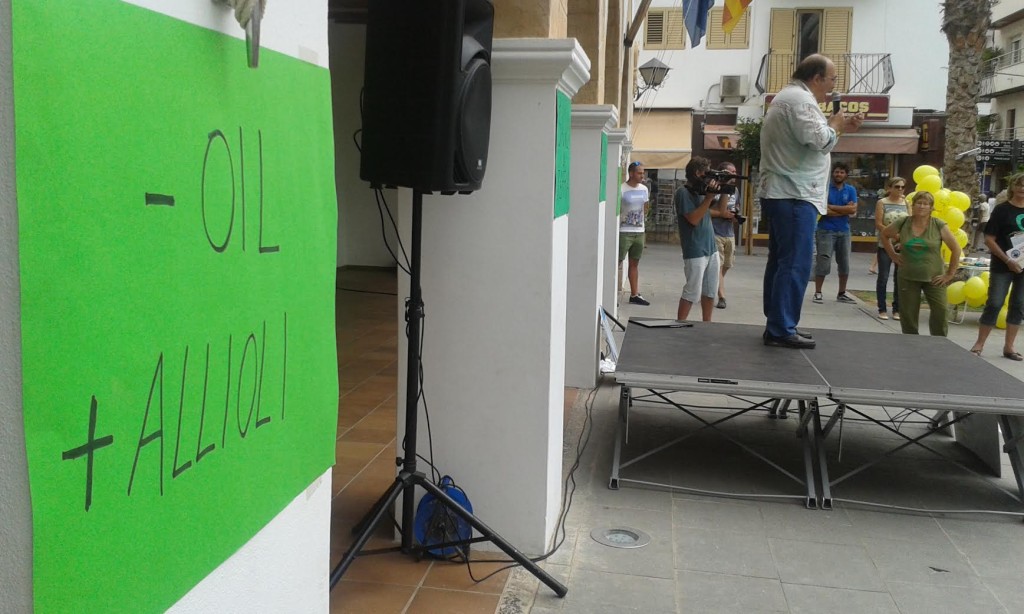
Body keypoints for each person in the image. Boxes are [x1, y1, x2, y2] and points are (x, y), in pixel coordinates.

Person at [758, 54, 864, 349]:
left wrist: (840, 127)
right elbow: (820, 141)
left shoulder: (788, 98)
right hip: (795, 194)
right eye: (831, 80)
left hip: (786, 192)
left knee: (782, 261)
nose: (832, 87)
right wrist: (835, 124)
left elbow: (814, 143)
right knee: (795, 263)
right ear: (817, 78)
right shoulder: (801, 102)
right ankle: (781, 327)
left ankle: (778, 323)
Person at [880, 191, 959, 336]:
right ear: (913, 205)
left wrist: (949, 274)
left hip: (934, 277)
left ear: (931, 207)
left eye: (926, 204)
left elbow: (956, 249)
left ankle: (939, 342)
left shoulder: (938, 225)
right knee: (908, 314)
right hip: (908, 276)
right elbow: (885, 235)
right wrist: (893, 255)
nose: (922, 206)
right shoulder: (903, 222)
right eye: (919, 203)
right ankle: (911, 343)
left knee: (940, 311)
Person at [970, 173, 1024, 360]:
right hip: (1003, 264)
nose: (1022, 188)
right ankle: (979, 344)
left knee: (1018, 305)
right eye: (1019, 184)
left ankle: (1009, 347)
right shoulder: (1002, 210)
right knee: (994, 303)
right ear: (1013, 187)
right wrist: (1008, 260)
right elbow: (989, 239)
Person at [674, 156, 722, 321]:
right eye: (706, 173)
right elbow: (693, 219)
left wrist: (725, 190)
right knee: (692, 291)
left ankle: (707, 324)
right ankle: (680, 323)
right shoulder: (683, 192)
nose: (709, 177)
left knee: (710, 291)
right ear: (697, 173)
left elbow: (722, 211)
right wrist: (708, 198)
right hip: (695, 249)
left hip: (711, 248)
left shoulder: (702, 190)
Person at [812, 162, 858, 305]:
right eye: (837, 172)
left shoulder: (850, 190)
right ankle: (818, 292)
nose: (839, 174)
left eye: (842, 172)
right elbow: (822, 210)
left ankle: (842, 293)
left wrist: (832, 207)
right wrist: (843, 209)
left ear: (846, 175)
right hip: (825, 230)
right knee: (823, 261)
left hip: (844, 231)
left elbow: (853, 210)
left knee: (844, 263)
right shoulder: (825, 189)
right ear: (832, 173)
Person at [874, 177, 909, 320]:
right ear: (889, 188)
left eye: (902, 187)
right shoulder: (882, 203)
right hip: (885, 243)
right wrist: (892, 234)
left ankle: (897, 309)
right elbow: (878, 223)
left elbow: (910, 222)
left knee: (899, 277)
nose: (900, 189)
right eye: (897, 187)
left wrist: (903, 237)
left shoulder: (906, 203)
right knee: (883, 276)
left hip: (902, 244)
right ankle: (882, 308)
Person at [619, 161, 650, 305]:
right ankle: (611, 293)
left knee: (634, 263)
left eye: (643, 173)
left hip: (639, 230)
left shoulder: (644, 189)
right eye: (639, 172)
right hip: (624, 231)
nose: (642, 175)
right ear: (631, 173)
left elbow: (646, 207)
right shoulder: (622, 189)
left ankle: (634, 294)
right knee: (618, 262)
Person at [709, 161, 740, 309]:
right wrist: (721, 213)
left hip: (729, 232)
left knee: (727, 264)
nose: (734, 174)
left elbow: (736, 206)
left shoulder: (735, 190)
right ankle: (722, 296)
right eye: (730, 172)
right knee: (719, 265)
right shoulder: (714, 188)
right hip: (715, 231)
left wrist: (735, 215)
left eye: (735, 171)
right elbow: (705, 210)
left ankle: (714, 282)